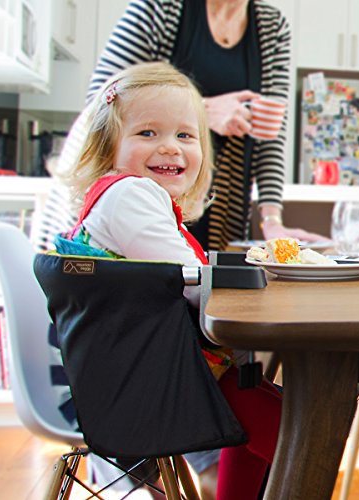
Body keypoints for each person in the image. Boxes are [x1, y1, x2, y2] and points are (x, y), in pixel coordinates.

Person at [57, 61, 283, 500]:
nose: (170, 148)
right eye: (147, 133)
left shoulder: (130, 196)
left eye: (185, 135)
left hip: (149, 371)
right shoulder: (129, 196)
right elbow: (197, 284)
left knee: (273, 418)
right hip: (158, 382)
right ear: (110, 147)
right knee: (303, 432)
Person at [73, 0, 328, 252]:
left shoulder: (272, 26)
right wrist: (204, 112)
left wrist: (272, 221)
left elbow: (270, 133)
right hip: (143, 196)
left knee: (201, 280)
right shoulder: (161, 8)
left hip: (219, 199)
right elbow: (102, 103)